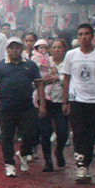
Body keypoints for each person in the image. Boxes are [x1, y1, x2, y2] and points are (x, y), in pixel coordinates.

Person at [0, 37, 45, 178]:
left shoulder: (31, 65)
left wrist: (42, 104)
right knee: (7, 137)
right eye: (11, 47)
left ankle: (23, 154)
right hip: (6, 107)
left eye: (17, 47)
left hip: (27, 107)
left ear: (22, 48)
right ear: (7, 50)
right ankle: (9, 163)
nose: (14, 50)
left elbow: (39, 85)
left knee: (30, 135)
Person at [62, 24, 95, 184]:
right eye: (80, 34)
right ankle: (80, 165)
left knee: (91, 135)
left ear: (92, 36)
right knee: (78, 132)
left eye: (86, 34)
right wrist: (65, 101)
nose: (83, 37)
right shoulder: (71, 55)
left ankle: (86, 163)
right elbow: (66, 78)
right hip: (77, 100)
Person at [38, 39, 69, 171]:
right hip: (46, 100)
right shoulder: (45, 61)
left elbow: (71, 79)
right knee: (45, 131)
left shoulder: (68, 63)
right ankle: (48, 160)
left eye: (60, 47)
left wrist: (58, 78)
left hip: (61, 100)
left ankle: (59, 150)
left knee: (62, 131)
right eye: (54, 47)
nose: (56, 50)